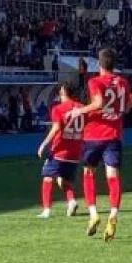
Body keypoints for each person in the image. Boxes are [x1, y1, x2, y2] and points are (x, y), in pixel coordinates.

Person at [66, 48, 131, 242]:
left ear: (99, 64)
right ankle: (113, 214)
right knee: (113, 176)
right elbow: (126, 107)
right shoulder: (124, 83)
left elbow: (99, 103)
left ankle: (93, 213)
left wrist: (79, 111)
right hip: (114, 135)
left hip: (94, 135)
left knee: (89, 172)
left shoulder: (95, 81)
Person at [35, 83, 83, 219]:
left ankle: (47, 210)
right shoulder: (81, 108)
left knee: (47, 177)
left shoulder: (58, 109)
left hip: (60, 151)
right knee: (63, 180)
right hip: (75, 153)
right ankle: (72, 201)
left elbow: (56, 128)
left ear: (63, 93)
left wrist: (44, 144)